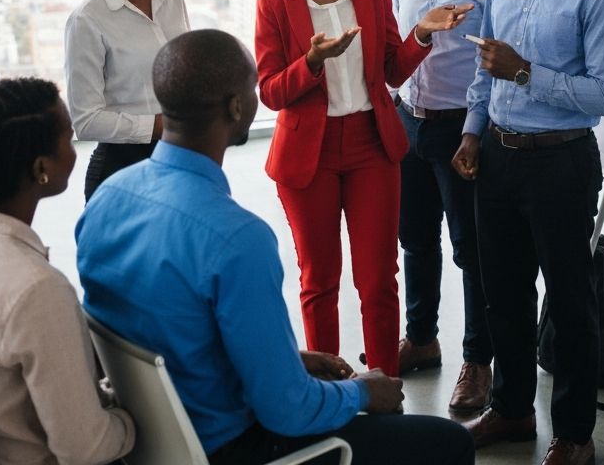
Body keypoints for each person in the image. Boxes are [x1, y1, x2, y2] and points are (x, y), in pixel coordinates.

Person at [77, 29, 474, 465]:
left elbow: (168, 330)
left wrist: (288, 360)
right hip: (234, 446)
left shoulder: (107, 200)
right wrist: (362, 391)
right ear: (235, 107)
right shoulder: (235, 238)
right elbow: (287, 410)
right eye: (251, 88)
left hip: (154, 439)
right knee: (449, 442)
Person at [452, 0, 604, 465]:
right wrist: (474, 130)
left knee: (570, 302)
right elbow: (487, 66)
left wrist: (527, 73)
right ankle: (511, 409)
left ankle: (575, 434)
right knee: (503, 293)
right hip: (498, 155)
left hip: (561, 163)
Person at [255, 0, 472, 377]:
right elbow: (270, 92)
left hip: (372, 145)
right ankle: (328, 390)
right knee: (319, 281)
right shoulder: (273, 4)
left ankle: (384, 386)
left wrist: (421, 33)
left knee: (378, 279)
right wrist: (313, 61)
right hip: (307, 154)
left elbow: (393, 71)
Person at [0, 78, 135, 465]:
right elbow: (86, 450)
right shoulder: (37, 290)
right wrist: (135, 419)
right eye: (68, 140)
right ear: (41, 168)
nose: (74, 151)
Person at [391, 0, 501, 411]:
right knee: (414, 236)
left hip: (461, 127)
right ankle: (421, 338)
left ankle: (477, 361)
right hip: (410, 120)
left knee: (471, 250)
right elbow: (396, 44)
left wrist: (474, 132)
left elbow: (493, 65)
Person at [64, 0, 189, 200]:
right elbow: (86, 120)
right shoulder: (88, 19)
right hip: (121, 171)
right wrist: (159, 126)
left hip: (178, 159)